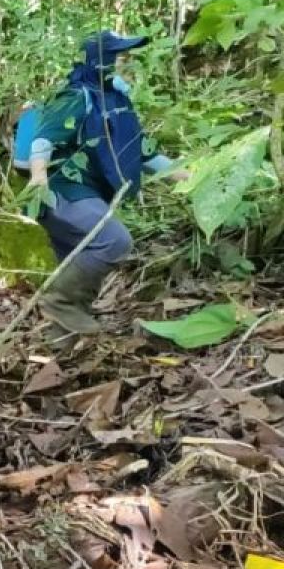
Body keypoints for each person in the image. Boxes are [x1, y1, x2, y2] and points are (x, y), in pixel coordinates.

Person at [29, 30, 189, 341]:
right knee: (114, 240)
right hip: (64, 191)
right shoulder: (76, 97)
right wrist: (38, 176)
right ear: (102, 60)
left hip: (93, 195)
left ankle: (57, 360)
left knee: (76, 276)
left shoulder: (117, 98)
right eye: (120, 56)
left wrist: (183, 175)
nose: (125, 62)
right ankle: (57, 300)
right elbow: (44, 138)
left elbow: (140, 150)